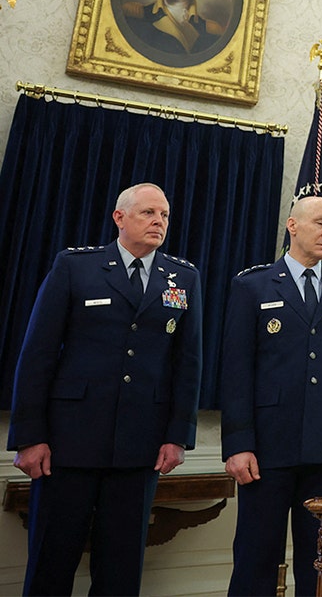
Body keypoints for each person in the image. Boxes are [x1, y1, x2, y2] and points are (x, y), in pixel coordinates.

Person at [7, 183, 202, 595]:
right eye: (149, 213)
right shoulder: (77, 267)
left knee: (121, 570)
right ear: (120, 218)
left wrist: (177, 436)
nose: (158, 222)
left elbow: (187, 364)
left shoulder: (183, 277)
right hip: (67, 443)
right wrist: (30, 437)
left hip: (140, 447)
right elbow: (37, 354)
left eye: (164, 215)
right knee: (51, 561)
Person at [221, 196, 322, 596]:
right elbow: (236, 371)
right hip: (266, 450)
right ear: (293, 225)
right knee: (256, 557)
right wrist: (238, 444)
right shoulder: (252, 285)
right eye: (321, 223)